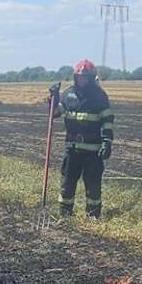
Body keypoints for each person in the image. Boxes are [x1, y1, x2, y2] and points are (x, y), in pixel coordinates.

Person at [49, 59, 114, 219]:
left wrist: (107, 142)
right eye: (79, 77)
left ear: (92, 78)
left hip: (93, 150)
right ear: (75, 77)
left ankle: (93, 217)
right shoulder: (69, 94)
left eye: (85, 77)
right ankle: (65, 216)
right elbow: (55, 113)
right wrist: (54, 98)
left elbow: (107, 120)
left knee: (93, 184)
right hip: (72, 149)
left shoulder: (100, 96)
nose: (82, 80)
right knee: (68, 182)